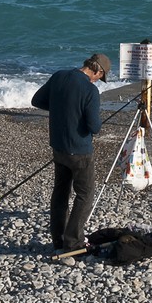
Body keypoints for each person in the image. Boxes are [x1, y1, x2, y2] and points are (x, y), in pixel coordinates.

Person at [31, 52, 110, 252]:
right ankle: (73, 241)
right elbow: (94, 127)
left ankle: (58, 239)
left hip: (58, 146)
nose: (98, 81)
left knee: (61, 192)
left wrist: (61, 109)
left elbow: (37, 100)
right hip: (80, 150)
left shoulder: (59, 76)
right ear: (98, 71)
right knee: (85, 195)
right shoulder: (90, 90)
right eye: (100, 77)